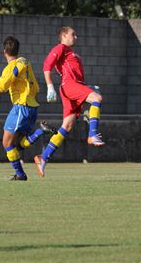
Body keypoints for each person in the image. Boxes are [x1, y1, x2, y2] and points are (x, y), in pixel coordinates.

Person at [0, 35, 54, 181]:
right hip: (32, 106)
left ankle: (21, 173)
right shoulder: (25, 61)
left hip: (21, 106)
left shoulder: (11, 68)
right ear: (17, 50)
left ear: (4, 51)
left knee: (6, 143)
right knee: (16, 145)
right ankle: (39, 133)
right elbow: (35, 86)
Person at [34, 26, 104, 177]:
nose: (76, 37)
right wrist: (50, 87)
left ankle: (43, 157)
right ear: (64, 35)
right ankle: (92, 134)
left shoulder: (71, 53)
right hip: (69, 86)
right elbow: (47, 65)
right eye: (73, 34)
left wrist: (87, 87)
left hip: (74, 86)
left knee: (67, 125)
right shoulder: (61, 47)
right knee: (97, 98)